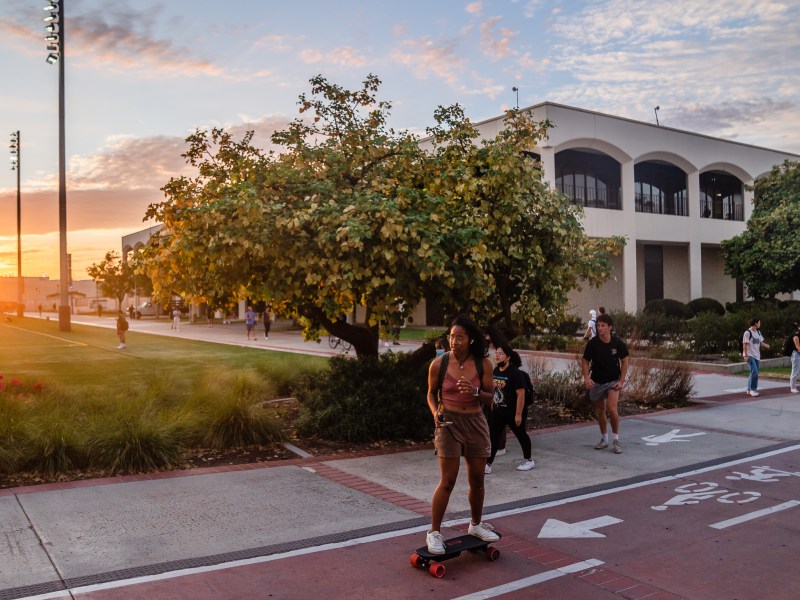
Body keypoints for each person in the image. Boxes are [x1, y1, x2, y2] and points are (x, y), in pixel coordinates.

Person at [425, 315, 498, 555]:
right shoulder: (439, 364)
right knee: (448, 480)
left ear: (470, 340)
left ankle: (475, 525)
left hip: (476, 423)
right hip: (448, 424)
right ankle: (434, 532)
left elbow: (492, 398)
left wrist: (476, 391)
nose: (454, 341)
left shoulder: (483, 364)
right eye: (452, 337)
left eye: (460, 337)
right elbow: (430, 394)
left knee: (477, 480)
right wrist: (435, 412)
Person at [582, 313, 629, 454]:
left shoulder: (617, 343)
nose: (600, 328)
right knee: (600, 411)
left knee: (612, 408)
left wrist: (621, 380)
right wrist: (586, 378)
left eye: (603, 325)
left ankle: (616, 440)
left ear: (610, 327)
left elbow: (625, 360)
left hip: (613, 381)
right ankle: (604, 439)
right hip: (597, 381)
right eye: (598, 325)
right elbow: (585, 361)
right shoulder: (593, 343)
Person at [485, 343, 534, 473]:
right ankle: (488, 464)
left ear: (508, 357)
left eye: (501, 354)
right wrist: (492, 407)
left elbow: (521, 394)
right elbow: (494, 391)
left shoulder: (515, 373)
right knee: (493, 437)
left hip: (513, 412)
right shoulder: (496, 371)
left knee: (521, 435)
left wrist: (518, 414)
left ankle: (528, 460)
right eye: (496, 353)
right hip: (498, 412)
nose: (497, 356)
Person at [743, 318, 769, 397]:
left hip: (757, 356)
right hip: (750, 355)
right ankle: (753, 390)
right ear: (755, 324)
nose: (760, 324)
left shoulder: (758, 332)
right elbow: (745, 344)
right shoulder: (747, 333)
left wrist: (766, 345)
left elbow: (761, 342)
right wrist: (745, 355)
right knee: (755, 372)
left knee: (753, 372)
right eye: (759, 323)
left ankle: (748, 389)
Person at [790, 323, 800, 394]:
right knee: (795, 371)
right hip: (796, 354)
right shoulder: (796, 336)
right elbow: (798, 347)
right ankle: (793, 387)